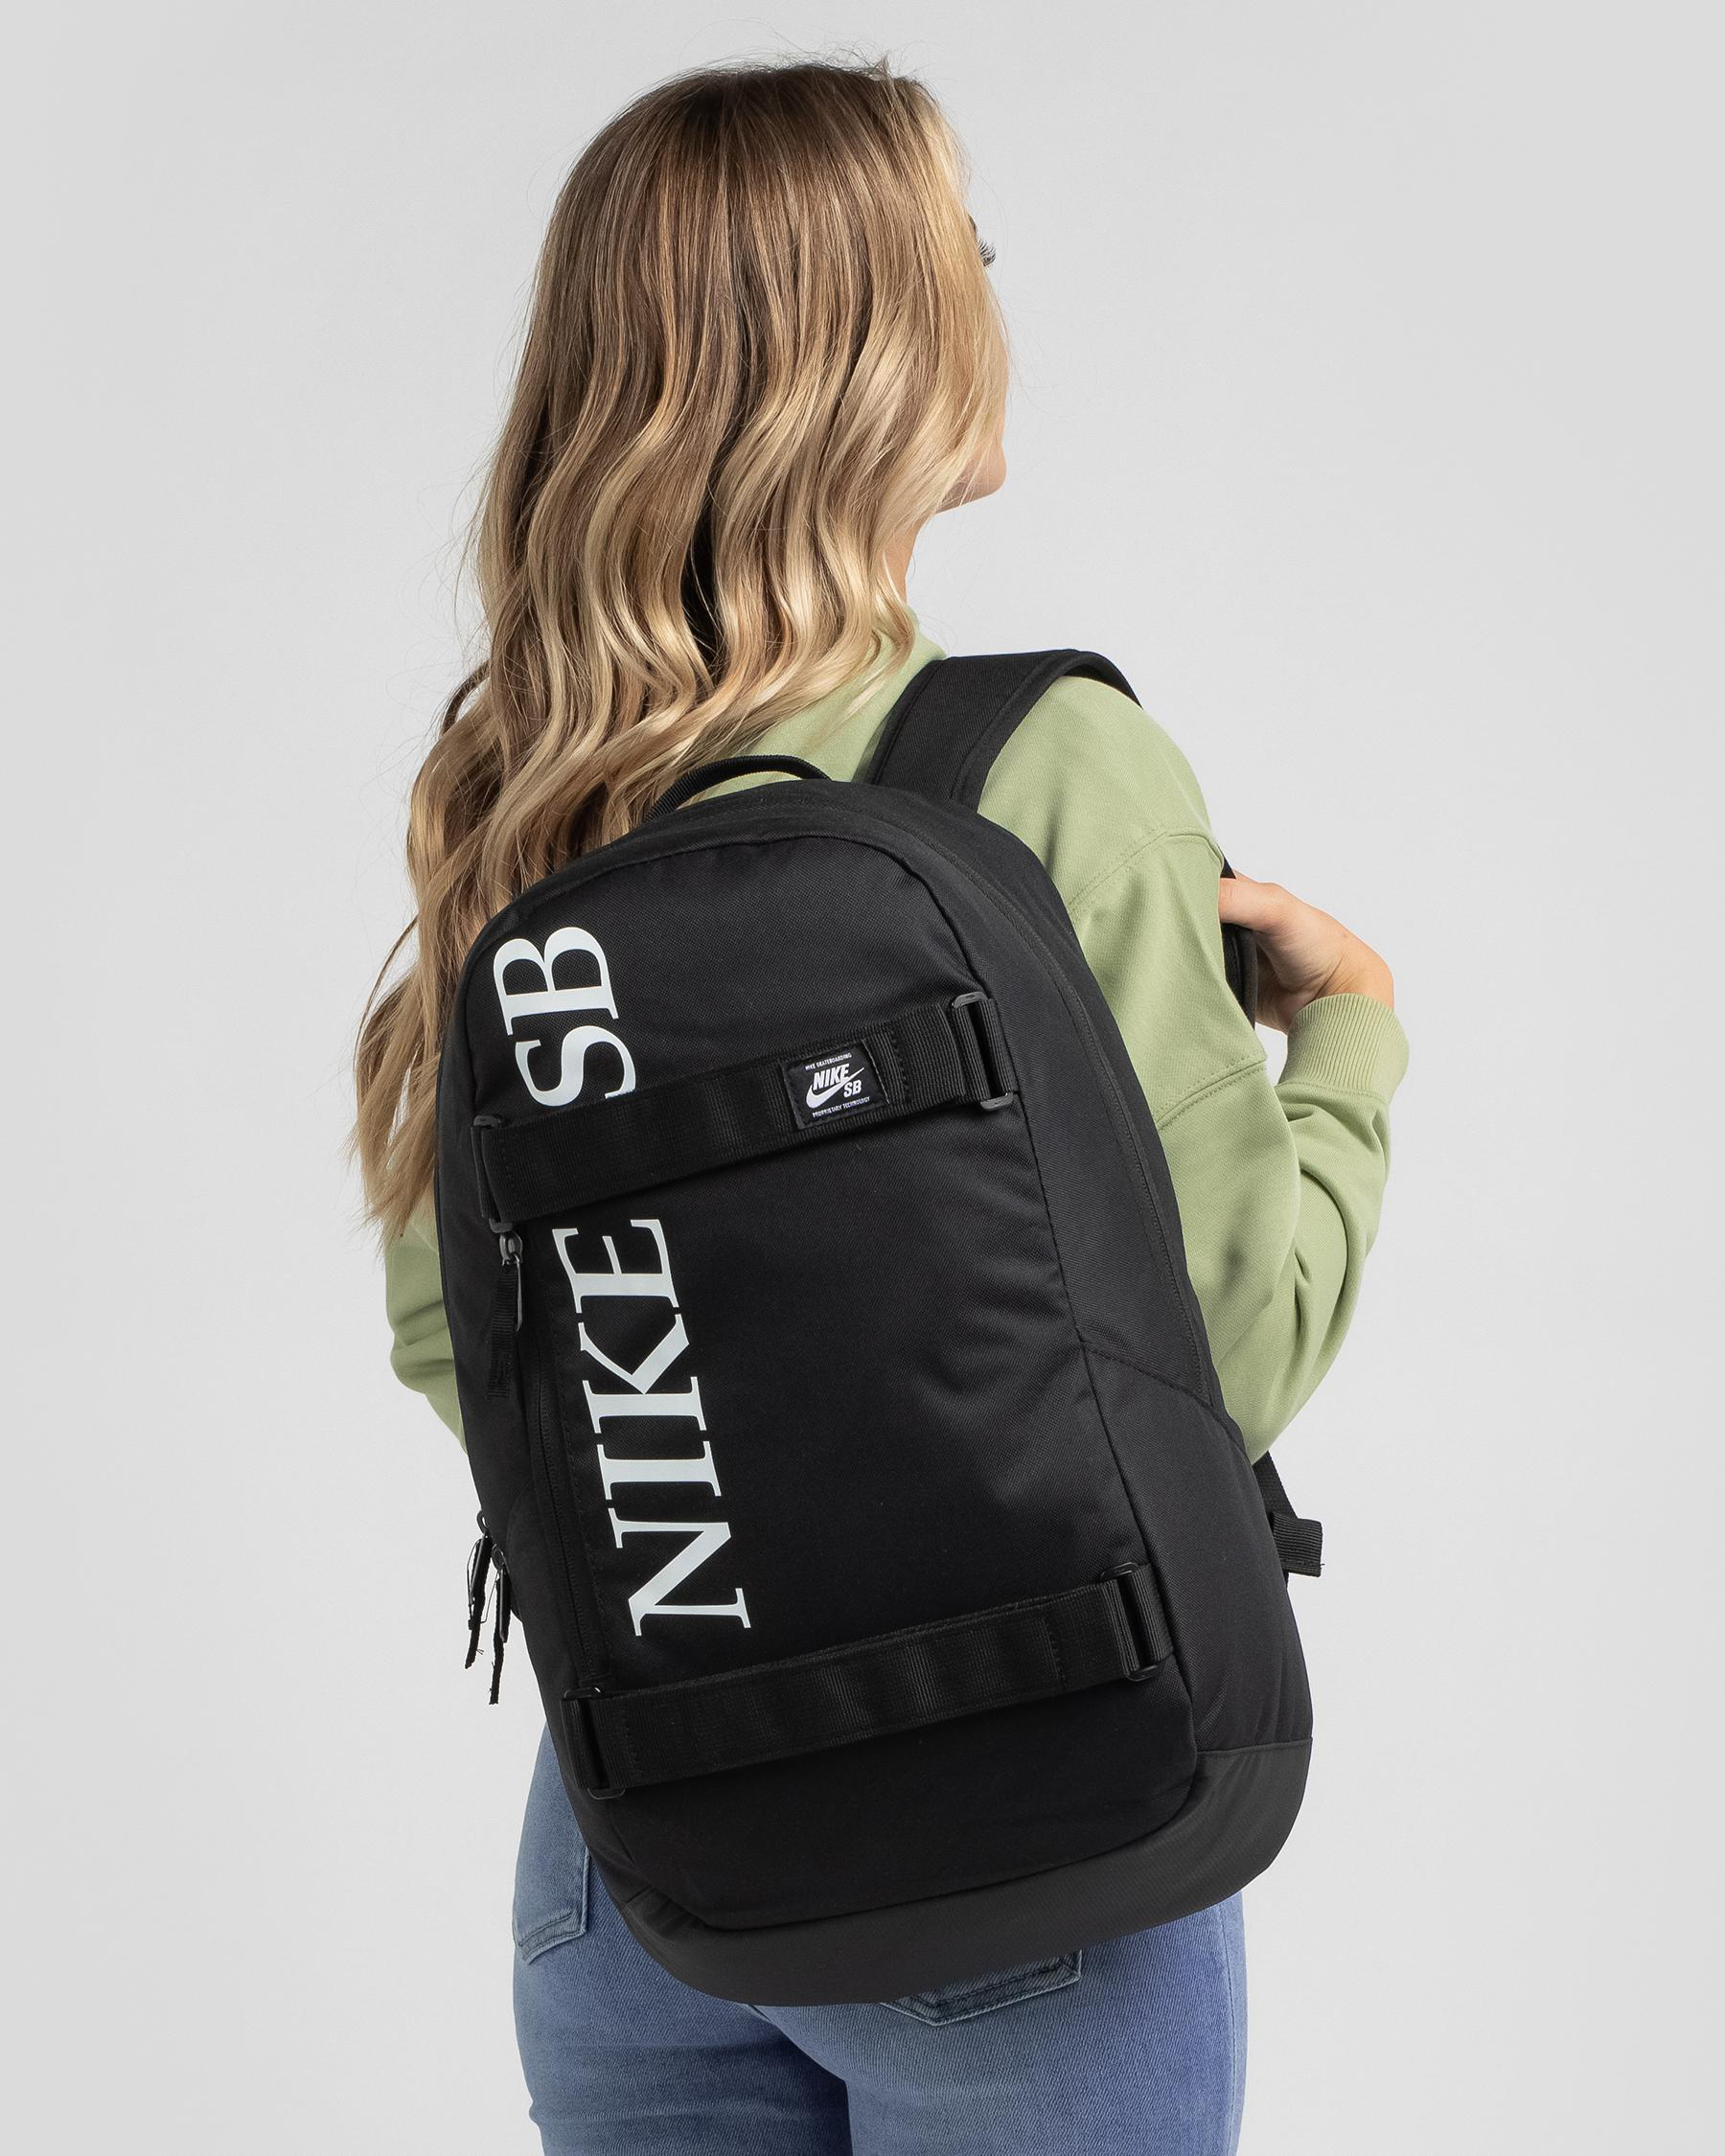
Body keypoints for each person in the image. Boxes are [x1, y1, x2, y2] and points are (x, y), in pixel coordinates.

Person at [356, 56, 1405, 2156]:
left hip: (639, 1854)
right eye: (967, 249)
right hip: (1022, 1840)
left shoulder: (533, 796)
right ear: (870, 336)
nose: (995, 291)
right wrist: (1356, 1039)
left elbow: (451, 1333)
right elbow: (1225, 1344)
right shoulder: (1048, 765)